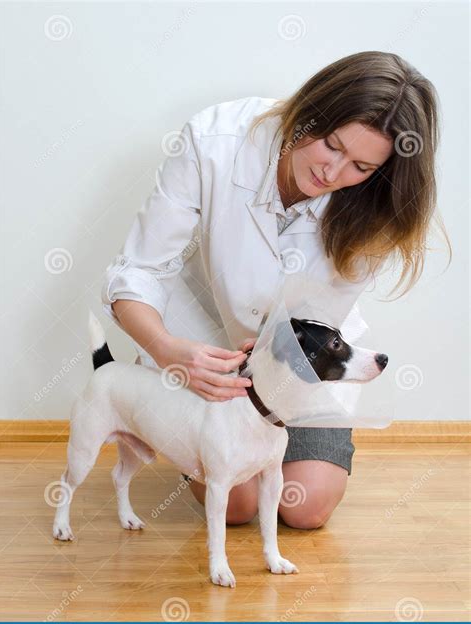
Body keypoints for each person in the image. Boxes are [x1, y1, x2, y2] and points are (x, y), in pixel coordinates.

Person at [101, 51, 449, 529]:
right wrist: (166, 350)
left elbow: (318, 319)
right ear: (309, 111)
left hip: (303, 367)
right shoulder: (214, 140)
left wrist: (272, 360)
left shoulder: (376, 210)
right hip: (206, 347)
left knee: (305, 506)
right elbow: (139, 269)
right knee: (238, 506)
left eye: (361, 167)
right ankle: (189, 435)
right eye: (330, 144)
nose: (333, 173)